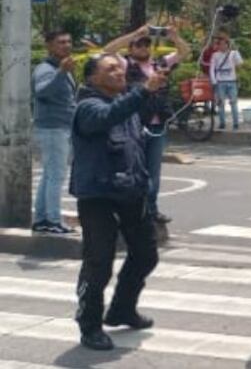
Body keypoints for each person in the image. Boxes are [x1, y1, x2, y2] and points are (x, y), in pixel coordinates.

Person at [70, 54, 169, 351]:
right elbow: (105, 118)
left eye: (120, 68)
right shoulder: (87, 106)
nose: (118, 72)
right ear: (92, 78)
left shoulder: (127, 101)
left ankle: (122, 308)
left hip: (131, 193)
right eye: (110, 68)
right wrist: (142, 91)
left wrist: (157, 88)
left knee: (145, 254)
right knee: (99, 262)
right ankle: (90, 325)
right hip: (97, 195)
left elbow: (146, 127)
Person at [104, 24, 191, 224]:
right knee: (133, 168)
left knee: (154, 170)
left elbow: (184, 52)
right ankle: (133, 210)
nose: (143, 48)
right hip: (134, 124)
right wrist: (133, 34)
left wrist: (175, 37)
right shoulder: (125, 65)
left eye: (146, 44)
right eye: (138, 45)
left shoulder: (160, 63)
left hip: (157, 124)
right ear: (131, 48)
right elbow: (108, 50)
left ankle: (151, 209)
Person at [32, 30, 77, 234]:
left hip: (60, 127)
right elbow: (42, 92)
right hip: (53, 128)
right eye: (60, 42)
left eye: (68, 42)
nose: (66, 45)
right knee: (56, 175)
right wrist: (61, 73)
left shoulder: (61, 68)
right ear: (49, 45)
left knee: (50, 174)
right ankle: (52, 220)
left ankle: (42, 219)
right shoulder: (46, 69)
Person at [210, 34, 244, 130]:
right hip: (220, 82)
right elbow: (212, 69)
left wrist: (236, 51)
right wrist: (214, 81)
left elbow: (240, 63)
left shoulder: (233, 53)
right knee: (221, 104)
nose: (222, 46)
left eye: (224, 44)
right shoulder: (215, 55)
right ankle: (222, 123)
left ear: (228, 45)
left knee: (233, 103)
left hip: (232, 81)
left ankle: (236, 123)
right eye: (220, 44)